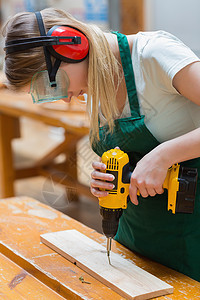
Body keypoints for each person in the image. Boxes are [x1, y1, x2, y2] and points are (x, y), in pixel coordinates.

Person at [2, 7, 200, 282]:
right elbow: (127, 157)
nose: (64, 99)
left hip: (193, 235)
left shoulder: (154, 54)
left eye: (53, 85)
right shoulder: (97, 85)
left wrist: (164, 155)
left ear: (72, 46)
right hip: (137, 238)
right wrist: (107, 176)